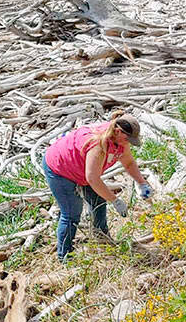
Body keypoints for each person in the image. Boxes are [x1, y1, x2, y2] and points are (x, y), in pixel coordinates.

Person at [43, 111, 151, 262]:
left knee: (99, 201)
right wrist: (115, 200)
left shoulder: (120, 142)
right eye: (127, 139)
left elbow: (129, 163)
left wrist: (141, 182)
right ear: (118, 131)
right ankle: (64, 257)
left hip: (82, 170)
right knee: (72, 213)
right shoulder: (99, 144)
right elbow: (92, 178)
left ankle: (102, 239)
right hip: (60, 168)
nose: (128, 142)